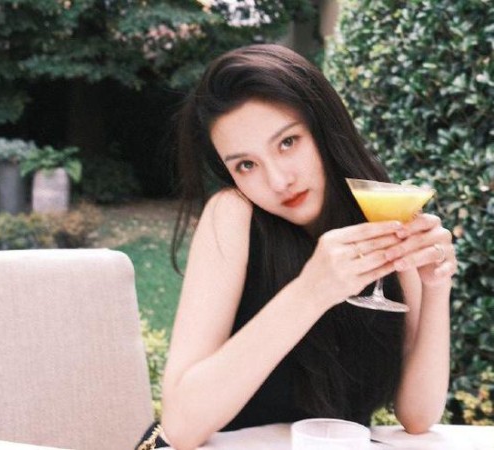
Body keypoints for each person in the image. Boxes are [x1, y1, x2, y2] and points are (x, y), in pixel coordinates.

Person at [136, 43, 456, 450]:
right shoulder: (234, 214)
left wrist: (436, 288)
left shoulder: (382, 213)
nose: (278, 180)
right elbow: (181, 427)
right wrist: (312, 291)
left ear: (323, 129)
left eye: (287, 142)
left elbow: (418, 416)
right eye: (246, 165)